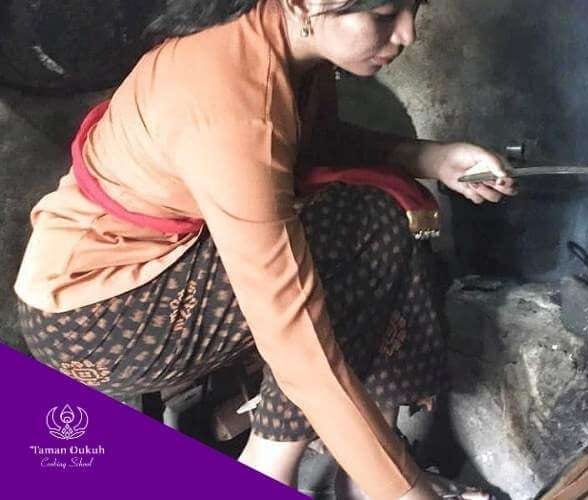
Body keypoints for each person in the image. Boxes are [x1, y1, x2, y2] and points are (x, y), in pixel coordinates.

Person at [13, 0, 517, 498]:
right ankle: (267, 473)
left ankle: (360, 471)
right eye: (384, 14)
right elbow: (295, 342)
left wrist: (432, 157)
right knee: (362, 229)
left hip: (159, 266)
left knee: (366, 215)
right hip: (96, 318)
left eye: (415, 8)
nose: (407, 34)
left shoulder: (276, 39)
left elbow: (311, 142)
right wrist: (407, 494)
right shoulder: (228, 99)